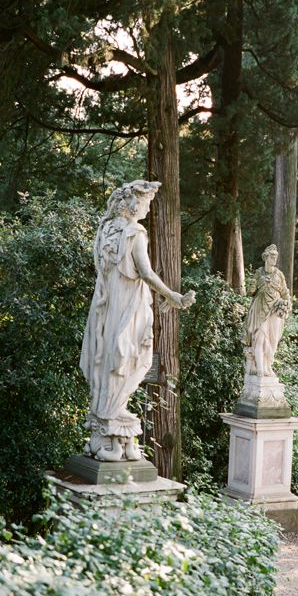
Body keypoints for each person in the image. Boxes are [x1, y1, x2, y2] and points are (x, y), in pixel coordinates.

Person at [80, 180, 195, 462]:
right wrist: (173, 296)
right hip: (127, 305)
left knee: (108, 353)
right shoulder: (134, 232)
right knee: (127, 356)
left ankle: (105, 409)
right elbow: (144, 272)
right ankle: (112, 412)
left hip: (106, 305)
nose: (147, 209)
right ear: (132, 204)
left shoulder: (105, 229)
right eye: (145, 203)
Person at [244, 244, 291, 377]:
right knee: (260, 338)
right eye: (272, 256)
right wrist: (257, 283)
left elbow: (285, 292)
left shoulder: (279, 274)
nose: (274, 259)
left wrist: (288, 304)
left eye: (275, 256)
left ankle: (268, 365)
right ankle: (260, 369)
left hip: (275, 309)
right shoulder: (259, 273)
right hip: (260, 308)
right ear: (266, 257)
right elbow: (250, 292)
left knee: (273, 339)